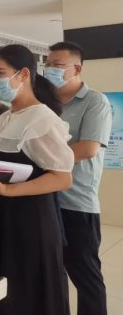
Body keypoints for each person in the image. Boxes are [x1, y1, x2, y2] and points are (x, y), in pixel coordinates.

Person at [0, 44, 74, 315]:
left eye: (0, 73)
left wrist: (10, 190)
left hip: (33, 220)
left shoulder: (41, 118)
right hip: (4, 215)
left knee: (30, 292)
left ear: (23, 74)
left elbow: (62, 178)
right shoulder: (6, 117)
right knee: (6, 289)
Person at [46, 41, 112, 315]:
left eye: (57, 65)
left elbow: (88, 149)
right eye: (47, 64)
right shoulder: (46, 103)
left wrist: (44, 159)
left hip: (77, 204)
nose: (50, 70)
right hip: (45, 199)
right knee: (52, 274)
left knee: (86, 278)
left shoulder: (95, 101)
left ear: (77, 69)